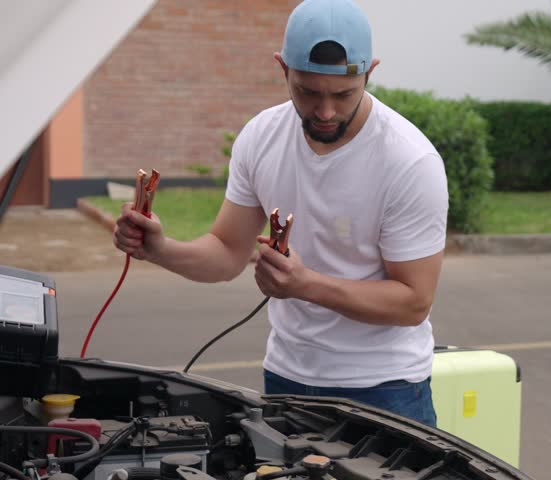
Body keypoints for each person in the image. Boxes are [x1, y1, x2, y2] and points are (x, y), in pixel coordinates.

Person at [113, 0, 448, 427]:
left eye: (343, 94)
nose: (325, 112)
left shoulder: (409, 161)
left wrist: (306, 285)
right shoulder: (261, 137)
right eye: (307, 92)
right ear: (283, 69)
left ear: (370, 73)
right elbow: (226, 252)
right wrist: (160, 249)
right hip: (286, 377)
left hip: (385, 388)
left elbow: (413, 302)